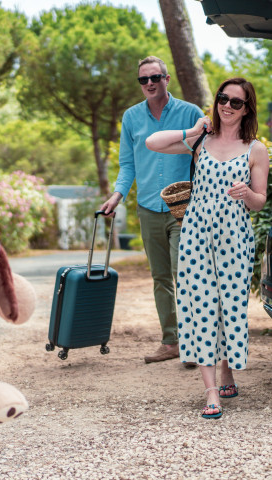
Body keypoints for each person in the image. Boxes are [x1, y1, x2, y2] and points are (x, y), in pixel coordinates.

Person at [146, 77, 269, 418]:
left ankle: (228, 369)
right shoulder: (202, 139)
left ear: (247, 109)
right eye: (223, 99)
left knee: (229, 306)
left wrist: (248, 194)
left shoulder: (256, 149)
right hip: (197, 234)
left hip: (234, 237)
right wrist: (193, 130)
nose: (227, 106)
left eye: (236, 102)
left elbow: (260, 201)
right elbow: (152, 142)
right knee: (199, 306)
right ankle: (212, 391)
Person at [101, 56, 203, 364]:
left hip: (184, 208)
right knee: (160, 278)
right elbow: (127, 164)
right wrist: (118, 195)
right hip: (147, 206)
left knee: (182, 273)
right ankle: (170, 341)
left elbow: (205, 154)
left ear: (167, 79)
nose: (149, 84)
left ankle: (193, 343)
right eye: (143, 79)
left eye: (155, 77)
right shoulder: (131, 117)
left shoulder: (190, 113)